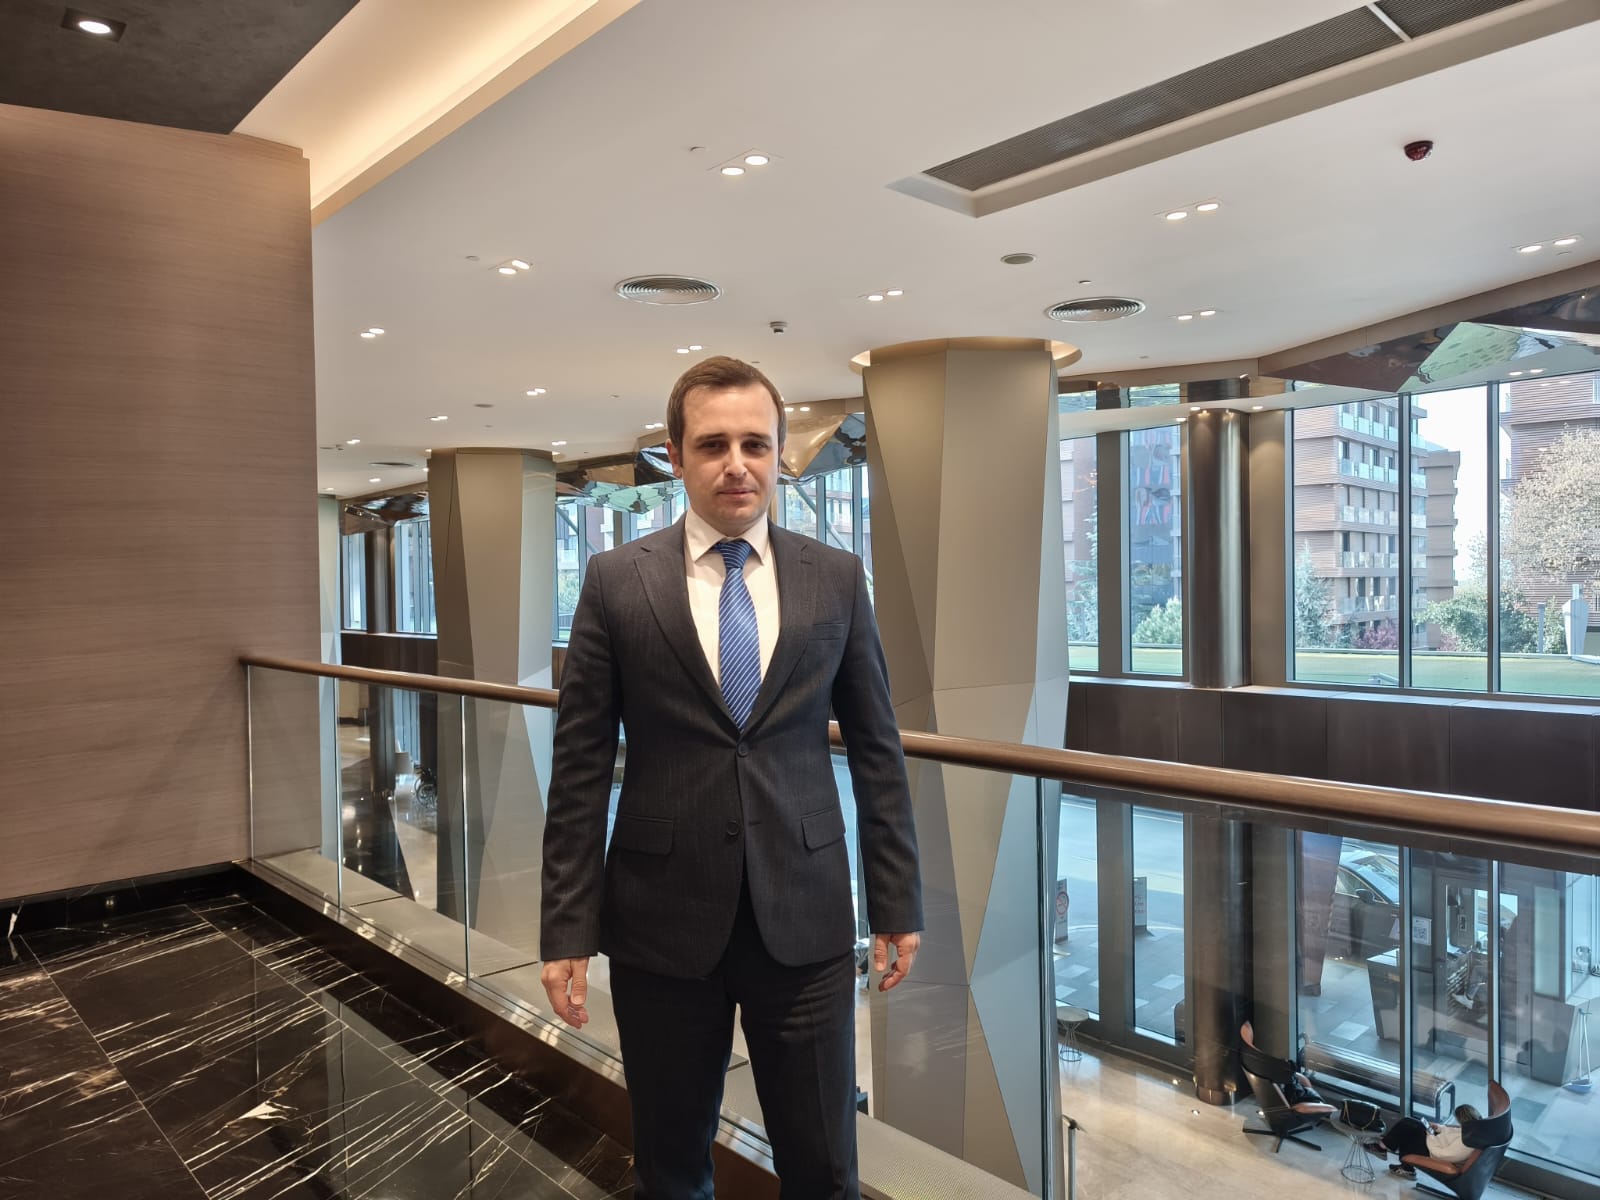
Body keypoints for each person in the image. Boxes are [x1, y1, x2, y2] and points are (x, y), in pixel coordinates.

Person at [539, 356, 924, 1200]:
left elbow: (877, 750)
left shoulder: (835, 577)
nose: (737, 464)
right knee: (672, 1169)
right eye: (713, 445)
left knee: (824, 1169)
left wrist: (896, 900)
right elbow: (579, 768)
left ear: (781, 452)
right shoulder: (616, 582)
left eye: (756, 443)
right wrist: (566, 926)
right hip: (660, 924)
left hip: (806, 918)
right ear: (676, 457)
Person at [1239, 1021, 1336, 1113]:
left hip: (1295, 1096)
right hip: (1295, 1102)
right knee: (1332, 1109)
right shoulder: (1277, 1074)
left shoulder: (1252, 1058)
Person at [1366, 1104, 1483, 1179]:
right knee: (1410, 1124)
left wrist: (1430, 1137)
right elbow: (1453, 1131)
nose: (1458, 1124)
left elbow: (1443, 1155)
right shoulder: (1471, 1130)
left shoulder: (1466, 1143)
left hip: (1433, 1152)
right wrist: (1439, 1128)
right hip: (1435, 1143)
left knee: (1408, 1127)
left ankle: (1382, 1148)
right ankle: (1405, 1167)